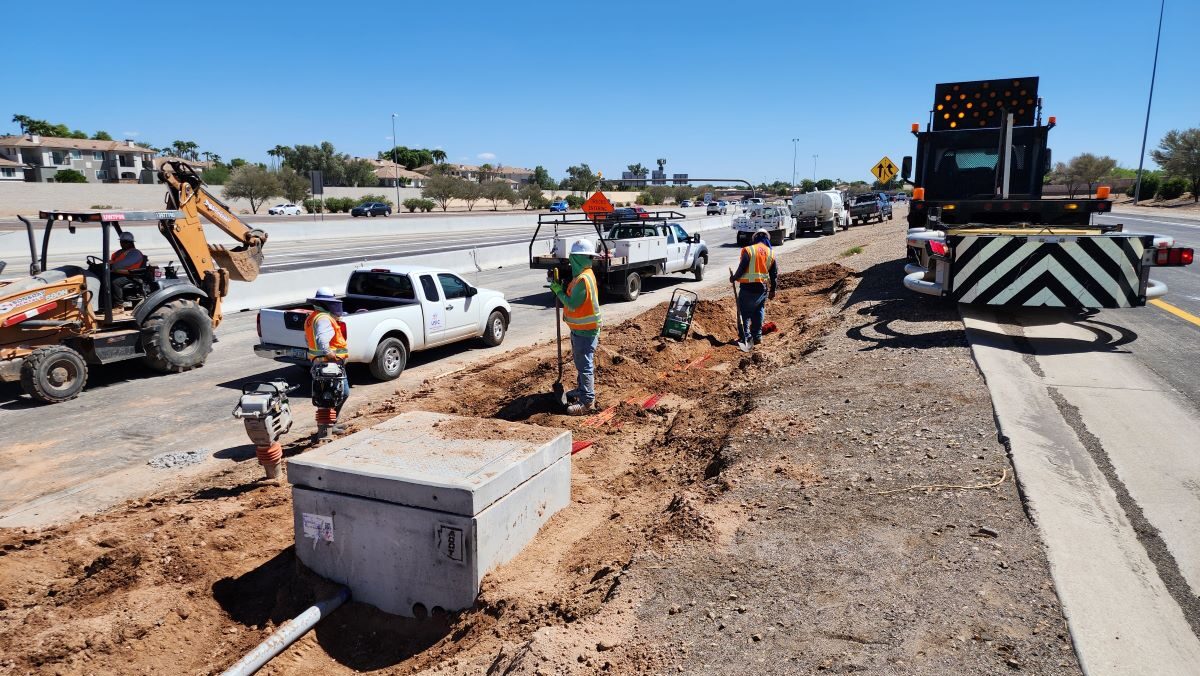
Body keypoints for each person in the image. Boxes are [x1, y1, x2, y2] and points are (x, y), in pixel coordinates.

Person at [550, 240, 602, 415]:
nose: (570, 261)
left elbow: (572, 304)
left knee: (584, 365)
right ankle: (582, 390)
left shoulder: (583, 279)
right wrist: (563, 287)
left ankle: (587, 402)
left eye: (572, 258)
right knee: (581, 363)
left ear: (576, 258)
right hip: (582, 329)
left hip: (585, 331)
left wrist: (558, 291)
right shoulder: (584, 275)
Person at [304, 287, 350, 426]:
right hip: (328, 364)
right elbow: (323, 341)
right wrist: (331, 356)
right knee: (340, 393)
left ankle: (327, 425)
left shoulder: (312, 317)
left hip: (319, 363)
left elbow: (308, 339)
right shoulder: (324, 318)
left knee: (325, 395)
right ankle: (329, 424)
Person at [730, 229, 778, 345]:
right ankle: (757, 337)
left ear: (754, 239)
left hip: (747, 288)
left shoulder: (749, 250)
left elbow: (742, 267)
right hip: (762, 289)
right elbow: (774, 274)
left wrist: (734, 278)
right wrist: (773, 290)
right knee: (758, 311)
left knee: (744, 313)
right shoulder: (770, 253)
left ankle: (745, 338)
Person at [109, 231, 146, 305]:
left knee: (115, 282)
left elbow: (121, 265)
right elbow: (112, 261)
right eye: (121, 242)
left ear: (130, 243)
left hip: (132, 275)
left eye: (125, 242)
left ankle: (119, 305)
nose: (122, 244)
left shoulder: (134, 253)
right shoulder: (119, 252)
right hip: (119, 273)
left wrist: (112, 266)